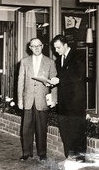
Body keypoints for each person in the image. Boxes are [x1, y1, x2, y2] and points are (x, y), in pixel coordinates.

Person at [17, 37, 57, 162]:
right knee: (26, 128)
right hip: (28, 99)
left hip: (42, 100)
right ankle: (26, 153)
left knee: (42, 128)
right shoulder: (24, 62)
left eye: (38, 45)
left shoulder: (50, 62)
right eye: (33, 46)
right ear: (30, 48)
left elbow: (55, 82)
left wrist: (53, 99)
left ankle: (42, 153)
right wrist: (20, 100)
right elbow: (20, 82)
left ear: (42, 46)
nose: (36, 48)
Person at [49, 34, 87, 162]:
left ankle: (80, 157)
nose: (56, 51)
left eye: (58, 48)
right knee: (65, 129)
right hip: (63, 101)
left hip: (76, 101)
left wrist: (59, 79)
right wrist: (52, 82)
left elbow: (78, 76)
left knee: (77, 129)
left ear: (66, 45)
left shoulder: (78, 56)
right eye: (55, 48)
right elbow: (61, 79)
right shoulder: (57, 60)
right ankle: (69, 155)